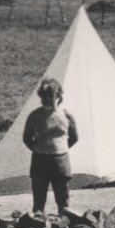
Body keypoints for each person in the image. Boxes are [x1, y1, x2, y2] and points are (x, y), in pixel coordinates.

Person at [22, 77, 79, 216]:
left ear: (58, 96)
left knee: (63, 202)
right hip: (39, 161)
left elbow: (74, 137)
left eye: (50, 96)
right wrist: (41, 150)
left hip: (60, 162)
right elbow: (27, 138)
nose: (47, 100)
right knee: (38, 204)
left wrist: (59, 150)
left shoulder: (67, 115)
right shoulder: (34, 116)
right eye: (44, 97)